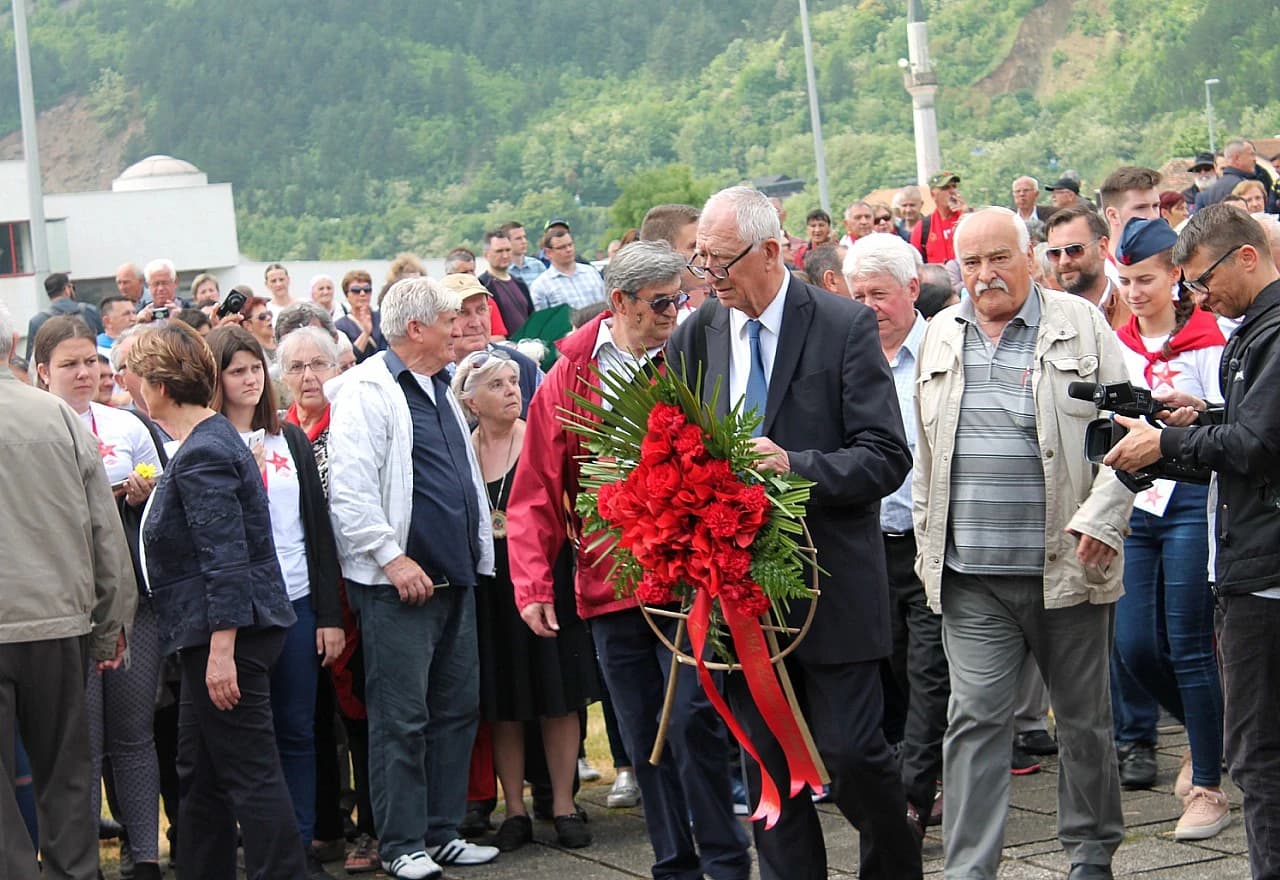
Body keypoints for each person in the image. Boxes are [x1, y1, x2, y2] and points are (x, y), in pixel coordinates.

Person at [669, 187, 917, 880]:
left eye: (721, 261)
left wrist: (794, 466)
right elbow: (677, 446)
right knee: (768, 772)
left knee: (854, 754)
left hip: (831, 583)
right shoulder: (698, 332)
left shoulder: (842, 324)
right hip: (738, 592)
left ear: (772, 250)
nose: (710, 277)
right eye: (701, 261)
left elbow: (885, 457)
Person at [511, 240, 752, 880]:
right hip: (608, 581)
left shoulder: (691, 355)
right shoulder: (569, 374)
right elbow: (535, 490)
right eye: (661, 302)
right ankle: (675, 864)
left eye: (680, 299)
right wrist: (533, 584)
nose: (675, 312)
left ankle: (726, 860)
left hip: (686, 575)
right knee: (644, 733)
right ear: (620, 301)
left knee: (695, 718)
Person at [913, 207, 1132, 880]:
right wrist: (927, 548)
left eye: (998, 258)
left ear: (1029, 257)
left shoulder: (1080, 323)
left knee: (1083, 721)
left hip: (1067, 566)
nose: (985, 275)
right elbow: (925, 457)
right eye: (971, 263)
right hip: (971, 575)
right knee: (974, 719)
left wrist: (1104, 519)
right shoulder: (940, 333)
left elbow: (1129, 431)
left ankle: (1090, 853)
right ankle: (969, 868)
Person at [1104, 204, 1280, 879]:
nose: (1198, 298)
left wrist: (1169, 442)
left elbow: (1257, 445)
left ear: (1246, 256)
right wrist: (1199, 418)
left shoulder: (1268, 332)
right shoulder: (1255, 330)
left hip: (1263, 570)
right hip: (1253, 556)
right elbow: (1251, 426)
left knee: (1258, 757)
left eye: (1203, 281)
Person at [328, 276, 498, 879]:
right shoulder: (367, 391)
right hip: (398, 587)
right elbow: (349, 492)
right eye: (451, 320)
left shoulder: (438, 386)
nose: (462, 329)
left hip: (454, 577)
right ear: (417, 328)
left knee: (456, 709)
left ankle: (441, 832)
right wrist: (391, 558)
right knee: (401, 720)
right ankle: (402, 844)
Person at [131, 321, 305, 880]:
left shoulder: (204, 451)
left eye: (139, 378)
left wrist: (222, 652)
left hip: (229, 638)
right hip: (211, 636)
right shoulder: (205, 442)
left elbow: (226, 558)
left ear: (160, 386)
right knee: (199, 774)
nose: (135, 388)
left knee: (251, 775)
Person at [1, 302, 134, 880]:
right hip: (58, 622)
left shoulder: (59, 415)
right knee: (67, 771)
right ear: (13, 345)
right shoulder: (57, 416)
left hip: (48, 618)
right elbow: (106, 532)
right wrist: (111, 623)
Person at [207, 325, 345, 878]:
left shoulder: (289, 439)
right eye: (236, 371)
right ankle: (264, 849)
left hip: (298, 604)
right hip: (241, 616)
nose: (249, 380)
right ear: (215, 379)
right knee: (250, 743)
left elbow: (318, 531)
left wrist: (329, 615)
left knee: (298, 730)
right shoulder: (209, 443)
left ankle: (301, 847)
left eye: (255, 369)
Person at [31, 316, 165, 879]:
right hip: (64, 607)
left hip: (132, 602)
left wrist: (142, 495)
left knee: (133, 734)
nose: (85, 373)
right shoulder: (34, 427)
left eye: (92, 361)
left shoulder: (127, 424)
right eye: (70, 364)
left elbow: (165, 504)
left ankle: (145, 856)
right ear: (43, 372)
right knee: (78, 743)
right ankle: (81, 860)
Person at [1109, 217, 1229, 839]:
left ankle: (1207, 784)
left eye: (1146, 280)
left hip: (1193, 498)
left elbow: (1228, 422)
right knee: (1134, 645)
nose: (1134, 292)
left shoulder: (1211, 338)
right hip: (1135, 502)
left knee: (1188, 643)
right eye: (1126, 281)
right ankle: (1215, 732)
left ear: (1176, 277)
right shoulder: (1115, 344)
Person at [452, 350, 598, 852]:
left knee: (558, 697)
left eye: (514, 382)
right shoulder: (462, 450)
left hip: (546, 579)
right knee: (504, 703)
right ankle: (513, 810)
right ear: (471, 401)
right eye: (497, 385)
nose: (512, 391)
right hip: (492, 588)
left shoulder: (537, 437)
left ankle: (563, 804)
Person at [842, 233, 949, 838]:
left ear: (912, 288)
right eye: (857, 295)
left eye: (878, 294)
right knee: (888, 667)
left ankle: (911, 800)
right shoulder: (847, 360)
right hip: (867, 543)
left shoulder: (944, 349)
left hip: (929, 540)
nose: (868, 307)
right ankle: (908, 779)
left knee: (929, 672)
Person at [1045, 204, 1130, 329]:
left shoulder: (1137, 310)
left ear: (1102, 248)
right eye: (1055, 253)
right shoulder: (1045, 321)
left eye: (1074, 249)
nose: (1063, 261)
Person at [25, 271, 103, 359]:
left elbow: (31, 360)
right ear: (67, 289)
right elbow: (102, 344)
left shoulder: (37, 321)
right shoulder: (89, 311)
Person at [529, 227, 607, 310]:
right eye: (562, 247)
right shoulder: (541, 286)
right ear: (548, 253)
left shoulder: (592, 273)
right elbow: (543, 317)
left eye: (570, 245)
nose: (568, 249)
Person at [479, 231, 535, 335]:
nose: (505, 255)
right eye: (499, 251)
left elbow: (532, 316)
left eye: (508, 250)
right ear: (486, 255)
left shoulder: (520, 284)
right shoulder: (482, 285)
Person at [911, 171, 968, 264]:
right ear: (933, 195)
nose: (952, 191)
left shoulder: (967, 219)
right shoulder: (923, 227)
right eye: (945, 188)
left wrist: (966, 215)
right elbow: (915, 262)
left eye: (954, 186)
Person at [336, 270, 386, 363]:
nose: (362, 294)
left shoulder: (383, 318)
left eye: (367, 290)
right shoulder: (340, 326)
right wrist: (366, 333)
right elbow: (348, 359)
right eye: (356, 290)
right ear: (347, 295)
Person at [1194, 140, 1260, 210]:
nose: (1255, 159)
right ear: (1237, 158)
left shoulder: (1213, 189)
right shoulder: (1242, 185)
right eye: (1251, 154)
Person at [502, 222, 547, 290]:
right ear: (506, 241)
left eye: (524, 237)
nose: (524, 241)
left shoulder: (538, 266)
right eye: (518, 238)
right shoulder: (502, 270)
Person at [242, 295, 278, 362]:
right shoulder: (249, 354)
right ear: (248, 325)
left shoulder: (284, 343)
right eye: (262, 316)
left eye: (269, 313)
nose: (268, 317)